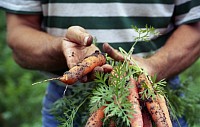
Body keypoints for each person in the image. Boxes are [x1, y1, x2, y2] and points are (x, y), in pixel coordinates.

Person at [0, 0, 200, 127]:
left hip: (153, 97)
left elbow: (195, 27)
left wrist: (155, 66)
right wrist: (59, 47)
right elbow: (20, 32)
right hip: (69, 99)